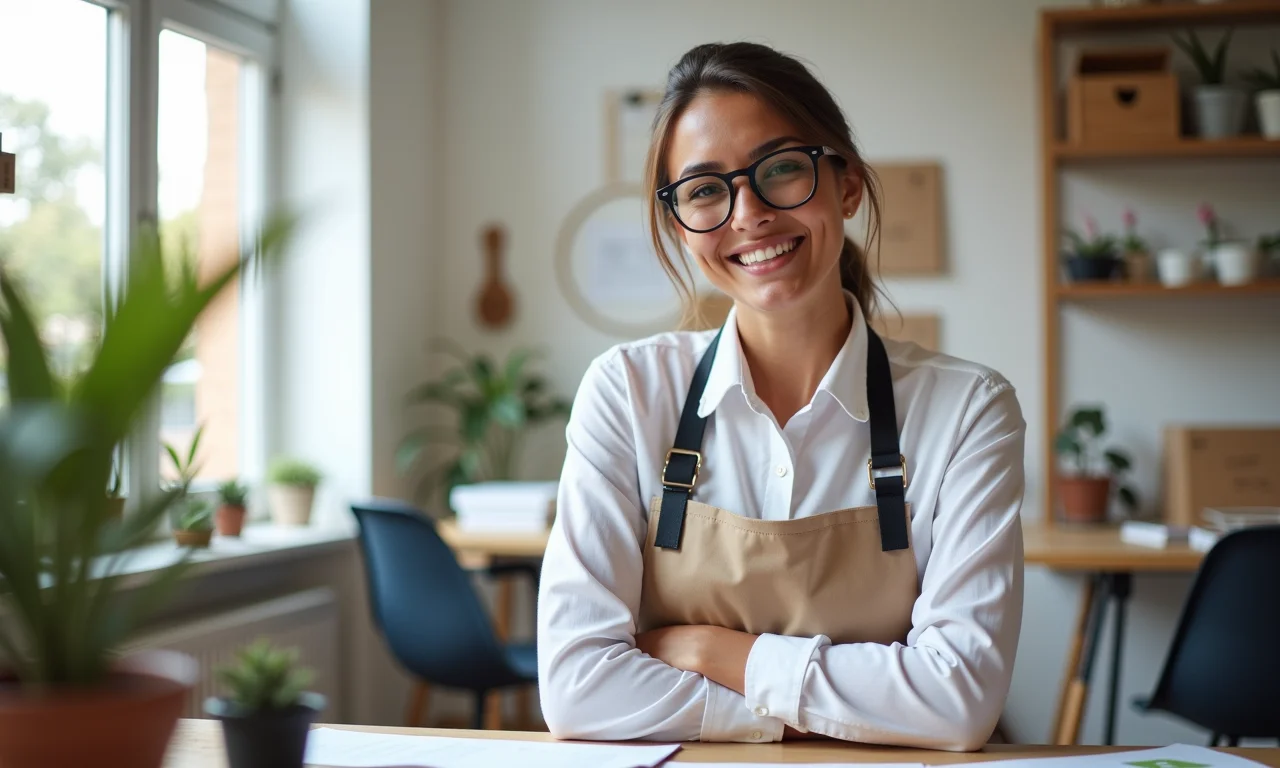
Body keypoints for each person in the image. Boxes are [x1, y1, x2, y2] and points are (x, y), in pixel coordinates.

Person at [536, 41, 1025, 750]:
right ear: (681, 224)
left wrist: (712, 653)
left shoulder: (967, 410)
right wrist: (817, 711)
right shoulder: (628, 392)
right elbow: (579, 689)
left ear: (847, 185)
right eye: (705, 190)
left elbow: (958, 701)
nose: (749, 213)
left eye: (781, 169)